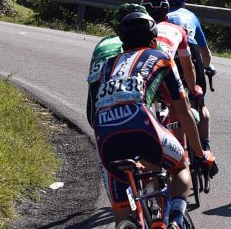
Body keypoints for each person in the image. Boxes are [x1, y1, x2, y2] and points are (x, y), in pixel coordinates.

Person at [87, 12, 217, 228]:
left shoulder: (105, 67)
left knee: (122, 212)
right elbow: (183, 112)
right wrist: (201, 154)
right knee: (180, 165)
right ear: (154, 40)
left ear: (122, 41)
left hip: (105, 136)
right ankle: (175, 221)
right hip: (142, 127)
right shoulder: (162, 58)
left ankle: (128, 221)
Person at [161, 0, 215, 151]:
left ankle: (179, 148)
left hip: (167, 54)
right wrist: (208, 66)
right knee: (199, 102)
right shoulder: (191, 16)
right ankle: (205, 145)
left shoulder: (159, 15)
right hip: (190, 54)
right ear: (184, 0)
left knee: (173, 104)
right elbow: (204, 51)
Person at [86, 2, 146, 130]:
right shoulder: (150, 42)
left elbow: (92, 78)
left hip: (98, 113)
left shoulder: (104, 42)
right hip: (138, 111)